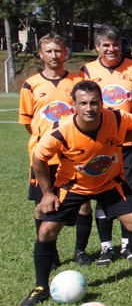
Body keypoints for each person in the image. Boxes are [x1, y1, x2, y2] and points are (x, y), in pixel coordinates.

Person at [20, 81, 132, 306]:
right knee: (46, 232)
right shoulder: (61, 132)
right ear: (73, 105)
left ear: (101, 103)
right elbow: (38, 158)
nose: (89, 108)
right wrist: (47, 193)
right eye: (83, 103)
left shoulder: (115, 118)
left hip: (110, 182)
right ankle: (40, 287)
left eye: (94, 102)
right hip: (72, 186)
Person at [18, 34, 92, 267]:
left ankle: (80, 251)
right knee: (42, 205)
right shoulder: (30, 84)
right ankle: (51, 253)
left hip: (72, 154)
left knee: (83, 202)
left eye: (58, 51)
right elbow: (29, 122)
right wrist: (46, 143)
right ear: (40, 54)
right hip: (44, 158)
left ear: (65, 53)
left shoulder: (77, 81)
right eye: (48, 51)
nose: (53, 55)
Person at [80, 25, 132, 265]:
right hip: (99, 145)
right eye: (105, 45)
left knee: (126, 193)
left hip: (128, 143)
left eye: (115, 44)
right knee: (101, 194)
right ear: (97, 47)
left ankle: (127, 243)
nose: (111, 49)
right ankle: (106, 246)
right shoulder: (87, 70)